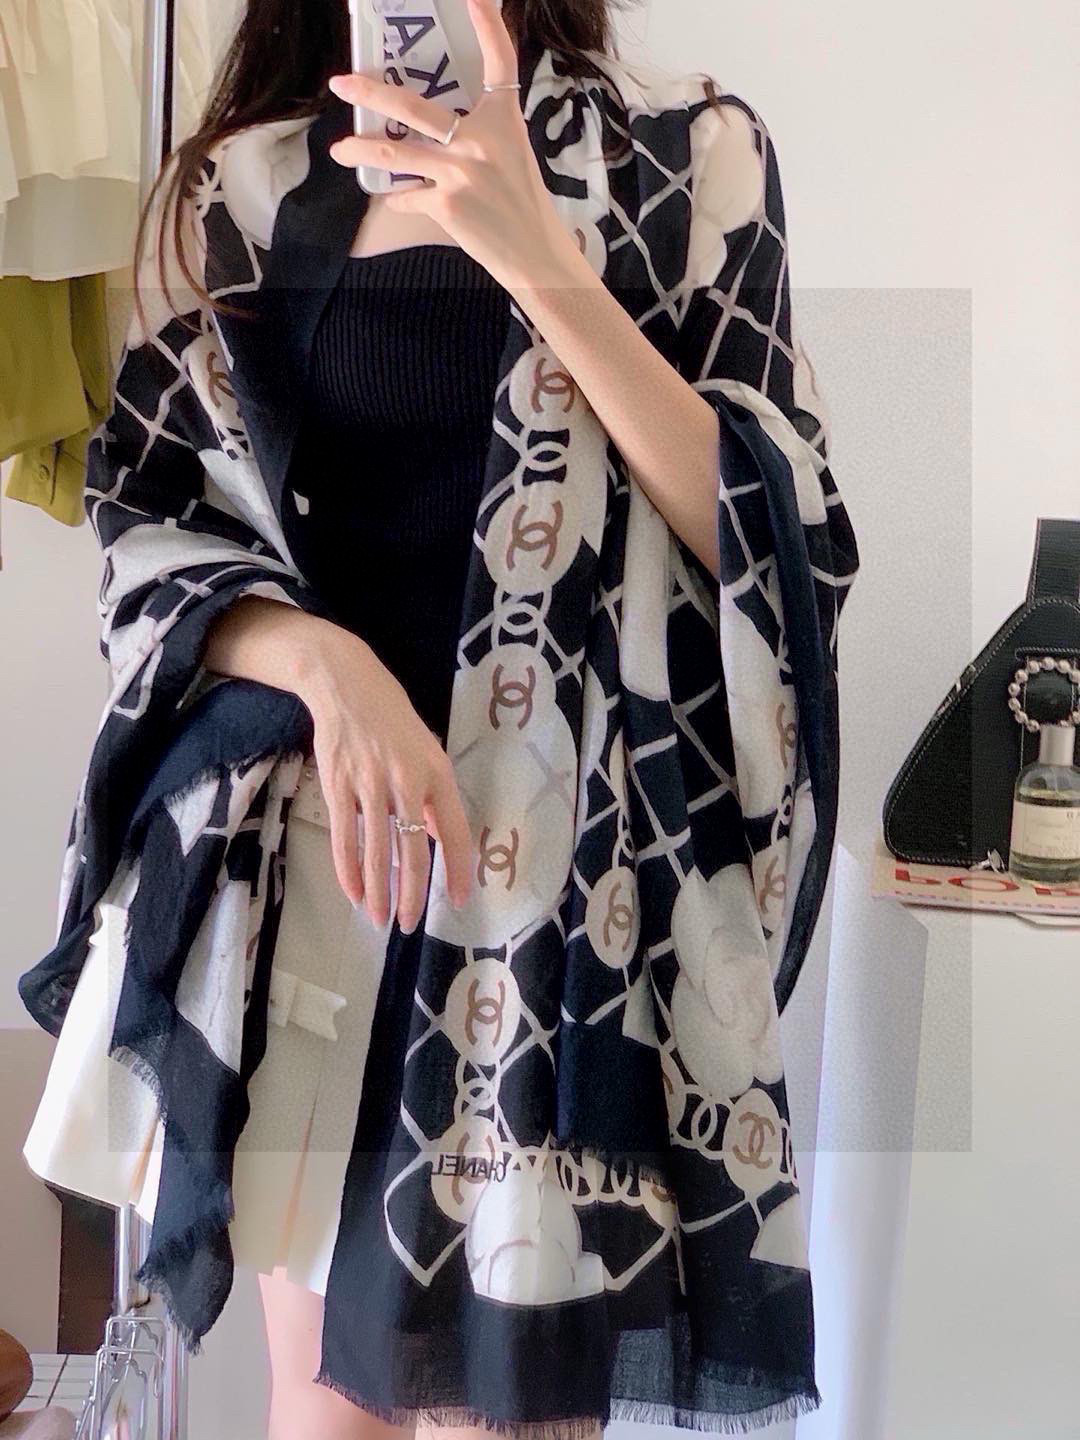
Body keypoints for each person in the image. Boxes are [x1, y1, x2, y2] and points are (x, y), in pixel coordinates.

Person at [18, 0, 861, 1435]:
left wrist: (540, 260)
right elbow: (155, 523)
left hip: (561, 925)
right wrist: (329, 671)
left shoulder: (691, 161)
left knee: (513, 1416)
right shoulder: (253, 187)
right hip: (325, 887)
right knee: (325, 1413)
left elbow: (782, 544)